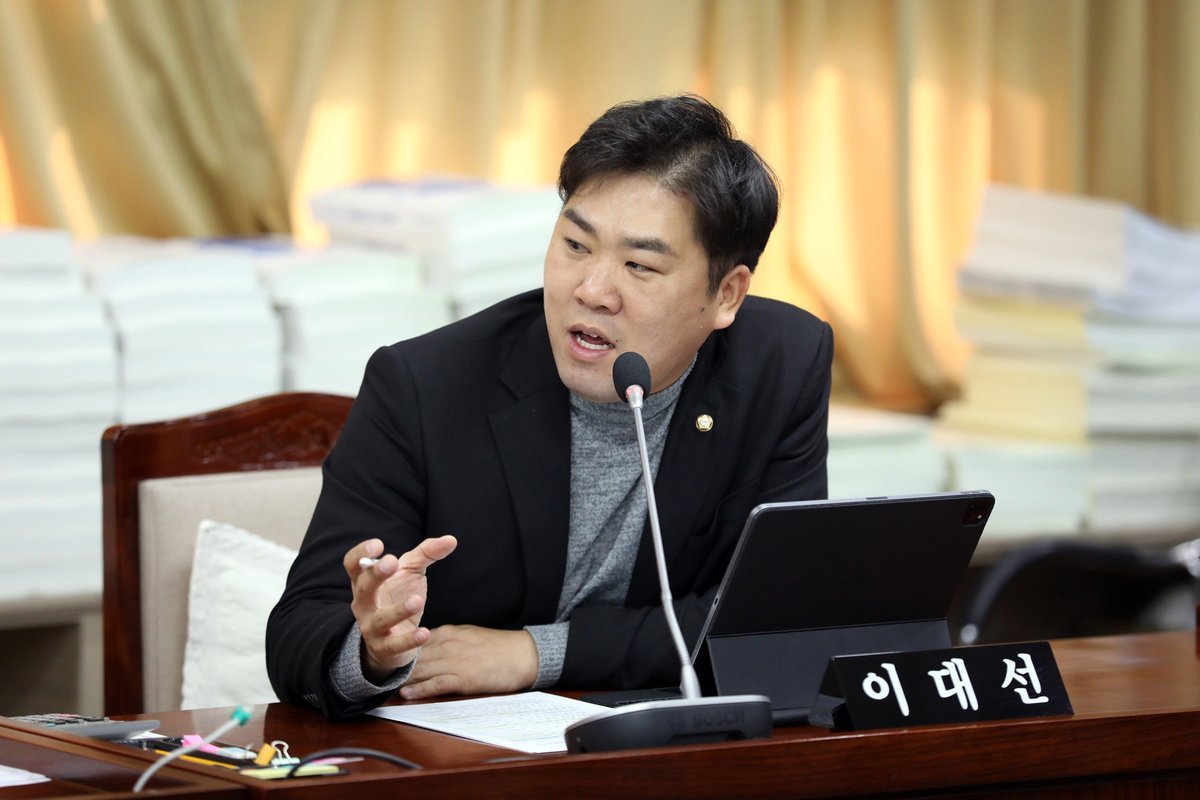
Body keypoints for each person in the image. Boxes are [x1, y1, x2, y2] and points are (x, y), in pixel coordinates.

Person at [266, 94, 834, 719]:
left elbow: (777, 616)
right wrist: (374, 651)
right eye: (575, 245)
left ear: (726, 295)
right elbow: (299, 634)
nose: (591, 291)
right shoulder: (426, 385)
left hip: (667, 737)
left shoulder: (782, 364)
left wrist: (539, 653)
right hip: (461, 750)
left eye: (639, 265)